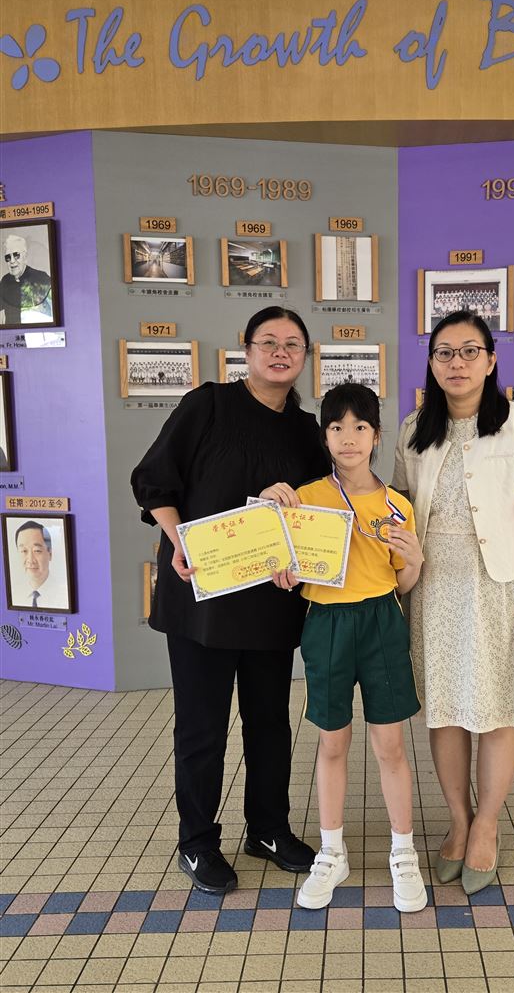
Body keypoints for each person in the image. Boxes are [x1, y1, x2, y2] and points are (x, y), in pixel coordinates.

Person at [131, 306, 329, 895]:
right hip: (203, 598)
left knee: (270, 724)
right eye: (269, 341)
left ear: (305, 356)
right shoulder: (208, 405)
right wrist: (178, 541)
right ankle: (197, 841)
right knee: (202, 727)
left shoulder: (307, 431)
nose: (280, 352)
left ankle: (267, 830)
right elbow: (153, 480)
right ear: (247, 349)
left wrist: (302, 555)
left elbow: (316, 515)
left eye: (292, 344)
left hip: (272, 602)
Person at [393, 311, 514, 895]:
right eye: (444, 352)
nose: (457, 363)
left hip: (501, 587)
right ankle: (458, 821)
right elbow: (396, 514)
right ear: (431, 363)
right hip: (433, 587)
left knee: (497, 708)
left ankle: (487, 823)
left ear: (491, 361)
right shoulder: (414, 428)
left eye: (469, 351)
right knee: (444, 709)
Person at [266, 383, 427, 913]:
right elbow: (277, 560)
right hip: (326, 624)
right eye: (337, 427)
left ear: (377, 436)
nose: (349, 437)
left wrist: (413, 559)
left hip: (382, 621)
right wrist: (270, 514)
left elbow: (402, 584)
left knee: (390, 746)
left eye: (360, 427)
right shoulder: (305, 498)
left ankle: (403, 852)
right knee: (332, 743)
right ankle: (332, 852)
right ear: (325, 436)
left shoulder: (396, 504)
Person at [13, 520, 68, 610]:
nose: (30, 560)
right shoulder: (13, 595)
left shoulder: (65, 595)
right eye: (24, 551)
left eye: (37, 550)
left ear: (50, 554)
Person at [0, 233, 53, 325]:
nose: (12, 261)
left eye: (16, 255)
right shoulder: (5, 280)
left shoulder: (42, 278)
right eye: (8, 257)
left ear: (25, 257)